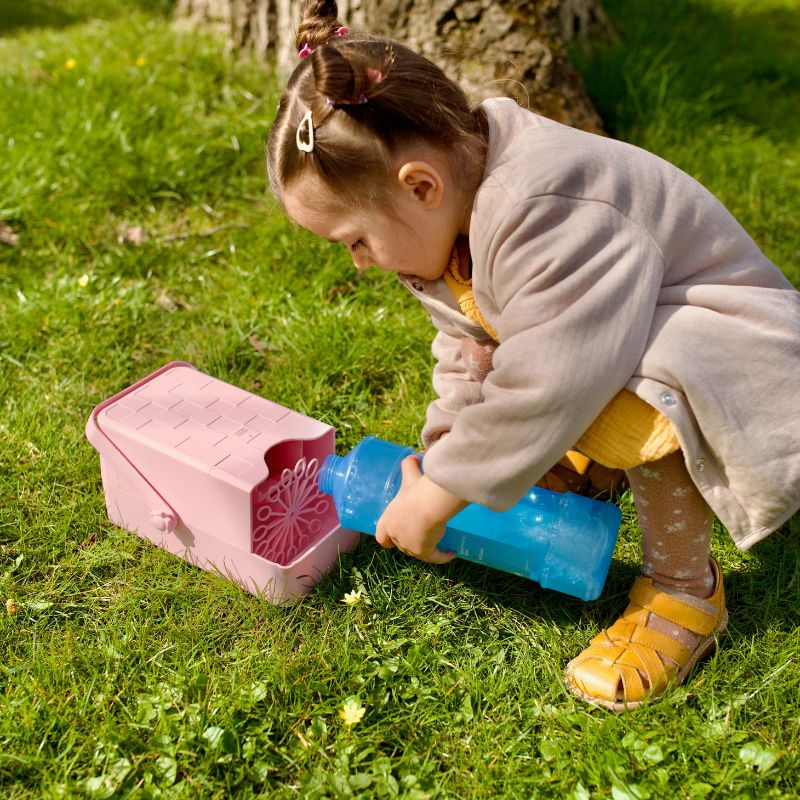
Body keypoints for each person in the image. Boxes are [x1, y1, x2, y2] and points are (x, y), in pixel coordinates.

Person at [267, 0, 800, 711]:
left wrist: (445, 486)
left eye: (353, 241)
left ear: (418, 186)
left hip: (741, 355)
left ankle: (684, 593)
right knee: (567, 381)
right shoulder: (449, 218)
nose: (359, 263)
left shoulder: (543, 206)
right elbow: (471, 344)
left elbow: (553, 376)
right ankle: (583, 470)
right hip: (620, 334)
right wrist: (445, 454)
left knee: (633, 396)